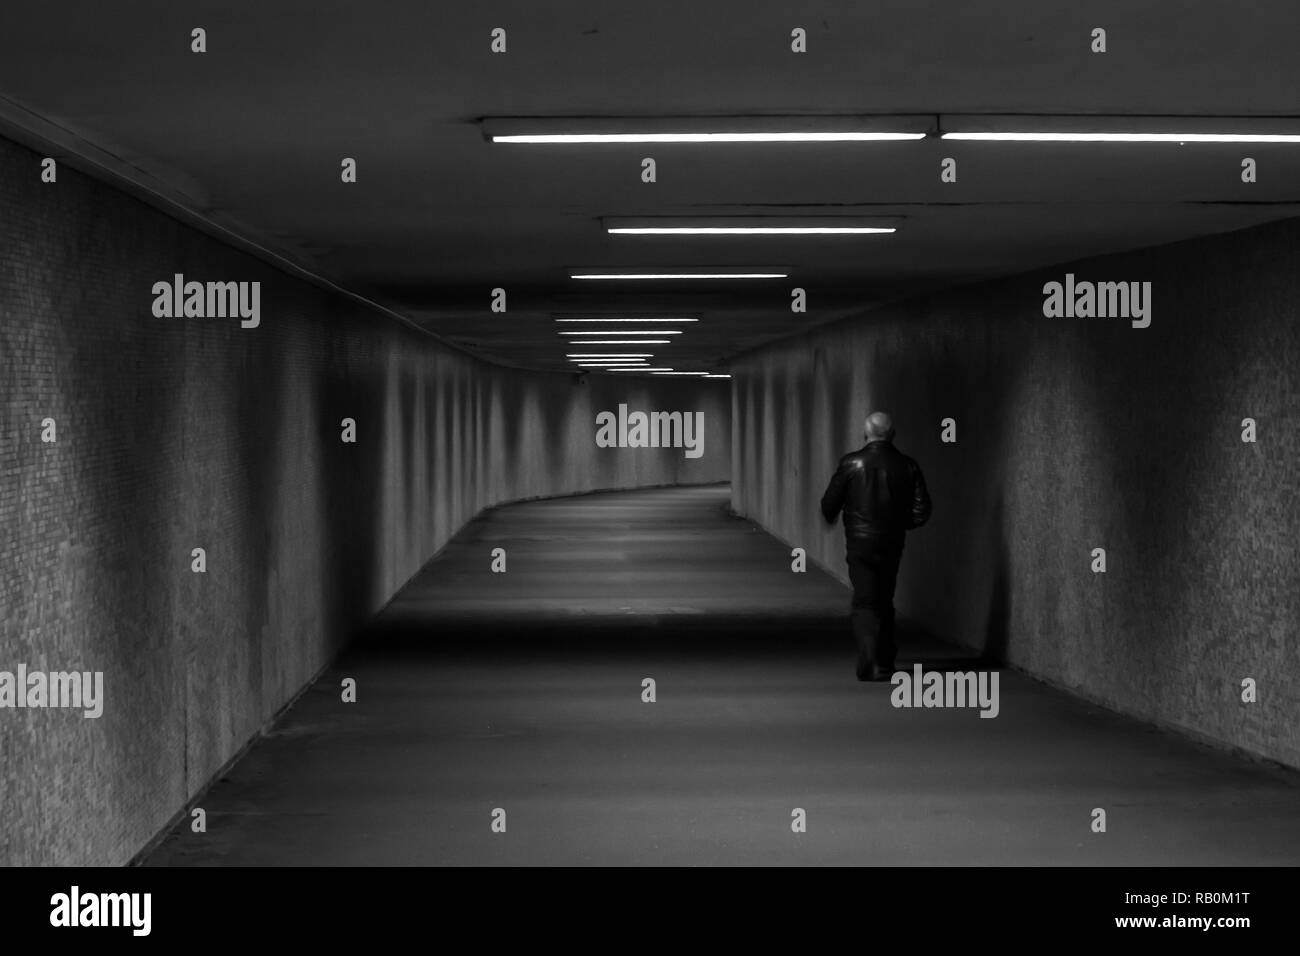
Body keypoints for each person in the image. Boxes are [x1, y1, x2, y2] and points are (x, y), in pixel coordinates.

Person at [820, 412, 932, 681]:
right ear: (892, 435)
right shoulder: (908, 465)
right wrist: (900, 523)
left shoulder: (851, 463)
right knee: (884, 597)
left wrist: (837, 516)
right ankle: (885, 658)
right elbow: (922, 510)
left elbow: (829, 504)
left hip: (860, 542)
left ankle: (872, 661)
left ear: (865, 434)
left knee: (866, 600)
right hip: (892, 541)